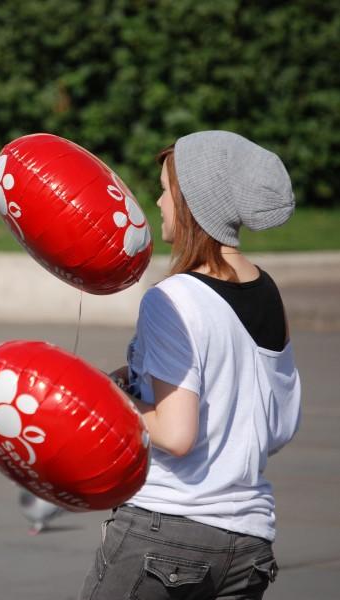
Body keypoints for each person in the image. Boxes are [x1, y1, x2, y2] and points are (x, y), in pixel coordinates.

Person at [79, 131, 301, 600]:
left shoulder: (173, 298)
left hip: (164, 535)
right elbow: (273, 425)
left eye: (166, 190)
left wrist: (104, 399)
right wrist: (133, 377)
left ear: (195, 201)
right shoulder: (268, 293)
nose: (158, 202)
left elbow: (176, 434)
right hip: (249, 547)